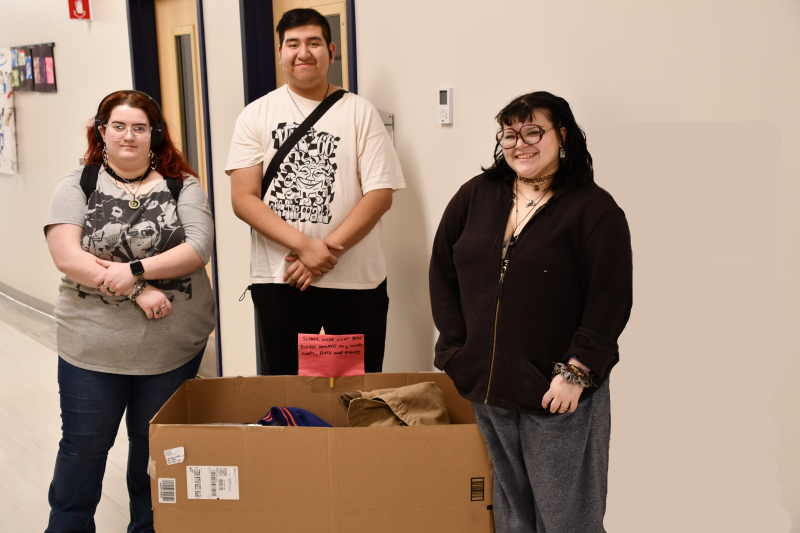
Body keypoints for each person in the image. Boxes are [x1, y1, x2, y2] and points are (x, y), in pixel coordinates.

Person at [429, 91, 632, 532]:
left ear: (562, 135)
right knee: (512, 518)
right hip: (489, 388)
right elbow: (443, 268)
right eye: (510, 133)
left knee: (567, 519)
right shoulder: (476, 195)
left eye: (533, 131)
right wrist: (455, 350)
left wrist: (577, 372)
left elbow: (610, 299)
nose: (520, 143)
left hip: (557, 392)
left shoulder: (594, 211)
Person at [44, 90, 217, 533]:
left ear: (154, 136)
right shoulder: (78, 185)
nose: (129, 136)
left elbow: (198, 248)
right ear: (102, 133)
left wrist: (134, 268)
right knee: (84, 449)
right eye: (118, 126)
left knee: (153, 449)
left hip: (171, 348)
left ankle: (150, 527)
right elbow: (67, 256)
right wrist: (139, 286)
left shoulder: (183, 186)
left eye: (140, 128)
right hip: (93, 349)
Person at [227, 8, 405, 375]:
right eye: (292, 44)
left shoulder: (360, 112)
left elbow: (380, 194)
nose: (303, 52)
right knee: (288, 389)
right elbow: (244, 199)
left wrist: (322, 254)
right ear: (280, 53)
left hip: (356, 281)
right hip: (282, 279)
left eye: (313, 43)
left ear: (332, 50)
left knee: (354, 389)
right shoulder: (255, 115)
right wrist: (306, 248)